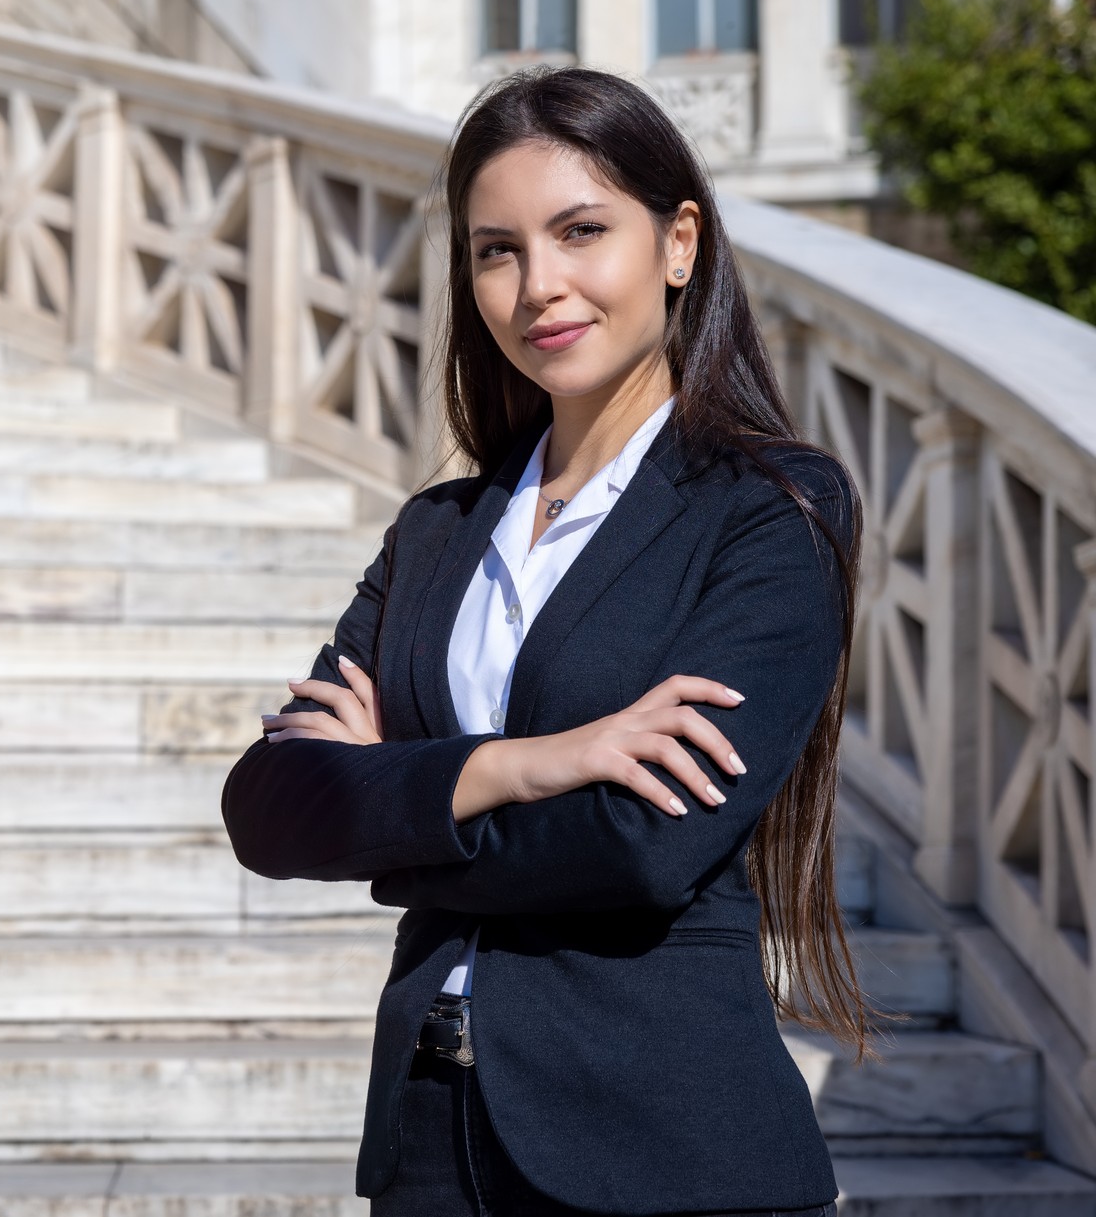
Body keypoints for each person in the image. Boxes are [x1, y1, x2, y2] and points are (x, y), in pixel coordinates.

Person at [222, 65, 887, 1216]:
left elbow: (641, 844)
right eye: (497, 250)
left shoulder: (771, 510)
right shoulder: (438, 533)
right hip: (431, 1136)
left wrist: (395, 799)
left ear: (679, 242)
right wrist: (527, 764)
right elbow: (268, 808)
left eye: (582, 232)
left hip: (662, 1151)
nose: (540, 286)